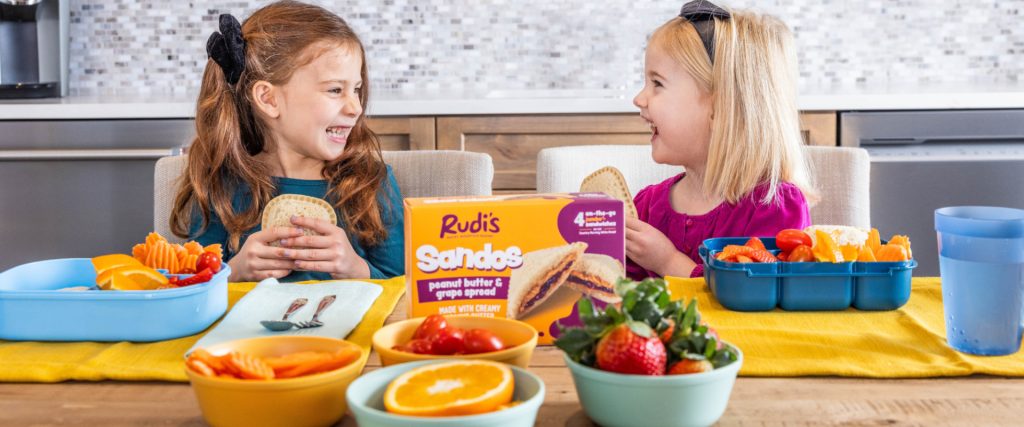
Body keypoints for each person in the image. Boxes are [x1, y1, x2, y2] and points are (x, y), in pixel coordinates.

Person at [169, 1, 403, 282]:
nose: (355, 107)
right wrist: (234, 272)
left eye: (356, 90)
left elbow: (404, 285)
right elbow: (191, 286)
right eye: (335, 89)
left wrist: (356, 269)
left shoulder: (370, 182)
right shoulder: (222, 188)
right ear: (269, 99)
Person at [627, 0, 817, 280]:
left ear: (719, 108)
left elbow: (753, 298)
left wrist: (667, 262)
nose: (639, 99)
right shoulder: (646, 206)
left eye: (657, 83)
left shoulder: (775, 207)